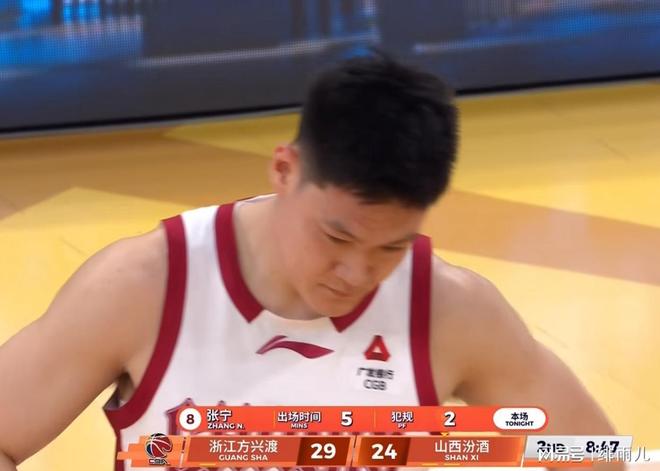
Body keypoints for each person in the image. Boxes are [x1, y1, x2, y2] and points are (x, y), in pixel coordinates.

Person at [0, 56, 619, 471]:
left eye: (391, 248)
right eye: (335, 236)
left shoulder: (452, 312)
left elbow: (595, 456)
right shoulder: (145, 286)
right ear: (284, 169)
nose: (356, 274)